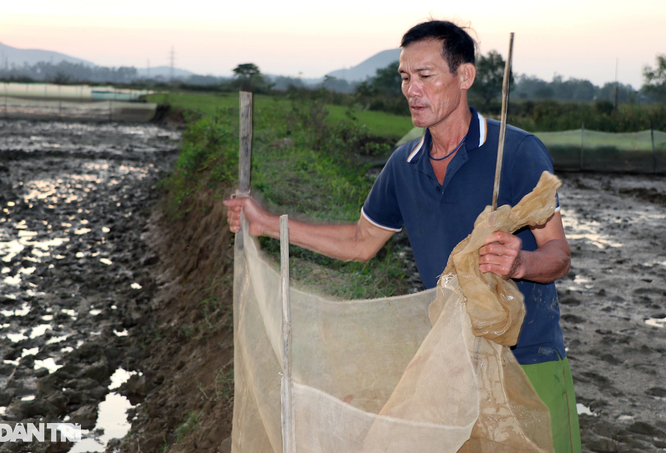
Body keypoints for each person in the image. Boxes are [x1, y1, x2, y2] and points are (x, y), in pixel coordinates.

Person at [224, 20, 581, 453]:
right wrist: (266, 224)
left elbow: (558, 254)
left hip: (528, 358)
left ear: (464, 76)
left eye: (426, 76)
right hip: (452, 368)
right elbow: (360, 242)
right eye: (405, 78)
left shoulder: (517, 152)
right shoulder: (403, 164)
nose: (413, 90)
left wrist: (521, 263)